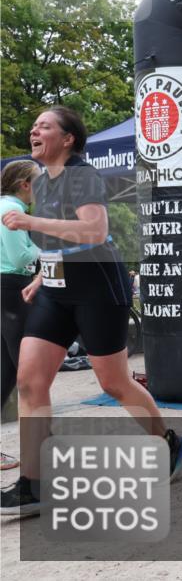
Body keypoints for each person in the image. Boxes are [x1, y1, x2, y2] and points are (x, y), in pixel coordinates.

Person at [0, 107, 182, 515]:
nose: (34, 129)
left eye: (45, 126)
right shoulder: (42, 182)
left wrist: (31, 220)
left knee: (114, 383)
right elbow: (58, 242)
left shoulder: (82, 176)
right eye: (34, 125)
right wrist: (39, 276)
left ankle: (167, 444)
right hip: (55, 291)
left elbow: (95, 231)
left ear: (68, 139)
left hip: (98, 290)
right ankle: (34, 484)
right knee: (30, 381)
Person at [0, 161, 42, 471]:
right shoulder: (13, 210)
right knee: (29, 373)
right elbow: (19, 257)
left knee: (5, 374)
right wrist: (50, 246)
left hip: (6, 290)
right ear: (25, 184)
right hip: (14, 289)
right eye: (37, 181)